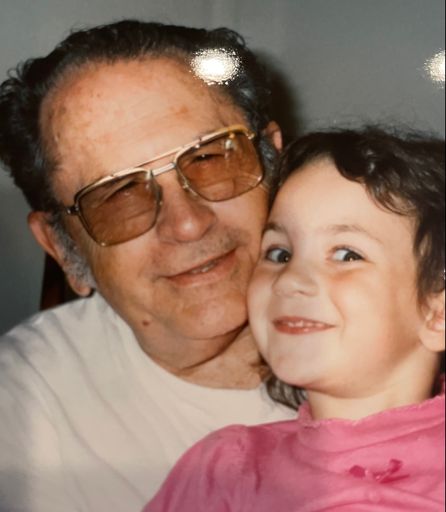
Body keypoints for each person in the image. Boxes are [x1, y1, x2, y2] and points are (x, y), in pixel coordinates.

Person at [0, 20, 295, 511]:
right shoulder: (23, 411)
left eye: (209, 157)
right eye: (118, 195)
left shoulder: (407, 334)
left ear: (273, 164)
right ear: (61, 247)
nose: (188, 224)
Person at [145, 126, 445, 511]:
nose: (289, 280)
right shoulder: (225, 470)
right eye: (279, 254)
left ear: (438, 313)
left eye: (347, 255)